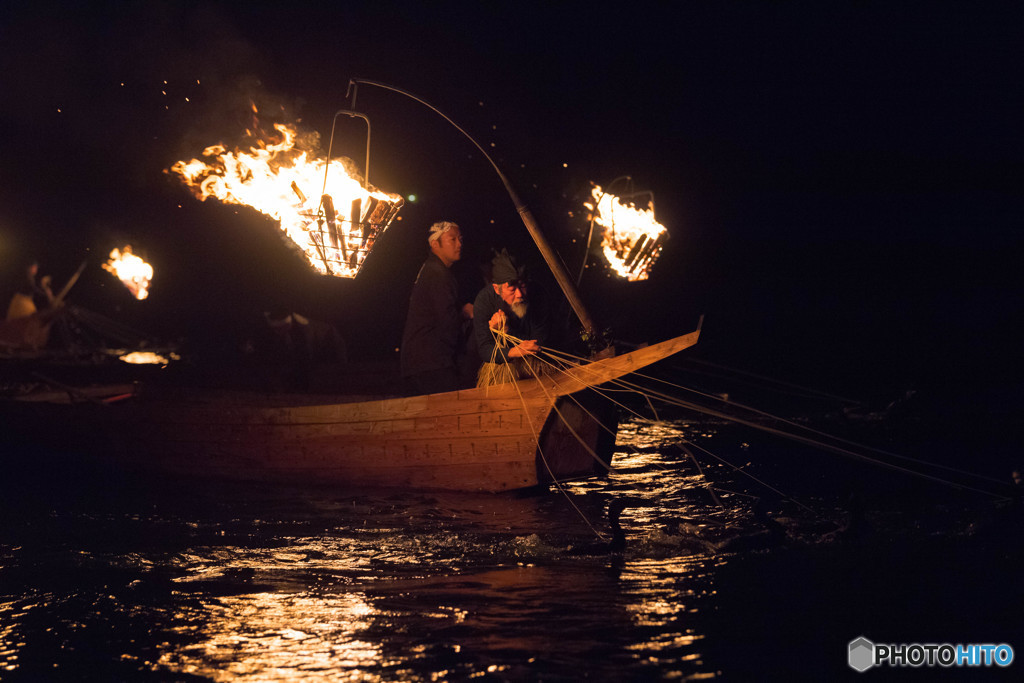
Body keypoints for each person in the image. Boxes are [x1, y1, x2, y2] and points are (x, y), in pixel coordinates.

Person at [400, 221, 474, 395]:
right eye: (452, 239)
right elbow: (447, 321)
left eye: (460, 239)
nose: (459, 244)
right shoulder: (437, 273)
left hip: (418, 362)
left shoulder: (431, 269)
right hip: (431, 363)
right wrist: (464, 313)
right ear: (435, 244)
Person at [473, 248, 549, 387]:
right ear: (497, 289)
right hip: (505, 368)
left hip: (536, 364)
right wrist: (513, 351)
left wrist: (507, 331)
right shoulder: (484, 301)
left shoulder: (538, 294)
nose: (520, 294)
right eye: (512, 289)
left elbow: (539, 342)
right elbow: (485, 349)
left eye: (523, 286)